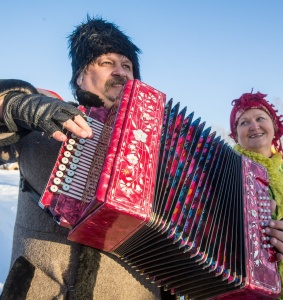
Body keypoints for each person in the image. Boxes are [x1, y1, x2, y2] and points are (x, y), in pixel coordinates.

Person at [0, 16, 173, 300]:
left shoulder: (163, 147)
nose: (120, 72)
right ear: (80, 77)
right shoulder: (46, 114)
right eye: (107, 63)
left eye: (127, 66)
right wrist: (13, 104)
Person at [229, 91, 283, 299]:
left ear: (274, 127)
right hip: (247, 287)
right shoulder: (227, 169)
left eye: (260, 118)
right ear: (236, 135)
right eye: (244, 122)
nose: (254, 126)